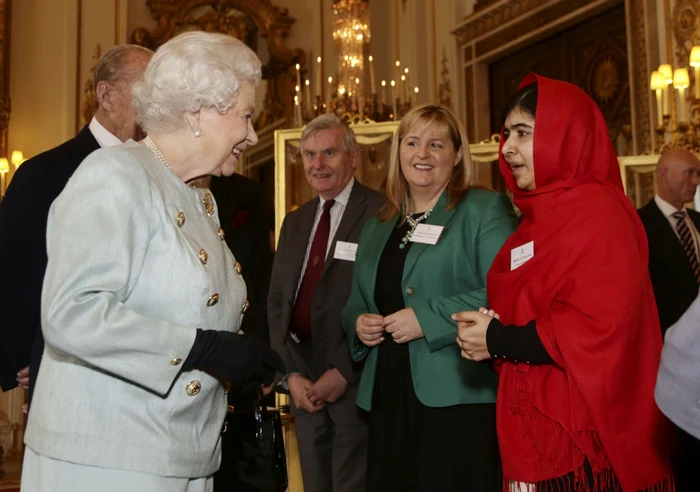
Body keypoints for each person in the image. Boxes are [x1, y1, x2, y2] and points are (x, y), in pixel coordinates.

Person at [21, 31, 284, 492]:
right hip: (108, 455)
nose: (252, 135)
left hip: (184, 450)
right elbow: (71, 313)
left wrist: (241, 354)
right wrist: (204, 348)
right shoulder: (114, 174)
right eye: (245, 116)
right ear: (199, 113)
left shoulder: (200, 196)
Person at [454, 74, 673, 491]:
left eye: (523, 133)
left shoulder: (596, 209)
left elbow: (600, 327)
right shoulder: (532, 220)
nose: (507, 148)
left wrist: (499, 339)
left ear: (565, 135)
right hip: (532, 430)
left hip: (583, 439)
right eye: (505, 135)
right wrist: (489, 334)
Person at [342, 104, 518, 492]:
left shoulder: (483, 210)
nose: (422, 154)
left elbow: (508, 290)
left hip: (457, 394)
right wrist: (358, 323)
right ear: (398, 151)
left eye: (436, 144)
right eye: (412, 142)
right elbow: (355, 300)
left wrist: (427, 317)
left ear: (456, 155)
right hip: (388, 391)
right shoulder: (378, 225)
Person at [0, 44, 153, 400]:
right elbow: (16, 270)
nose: (156, 104)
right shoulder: (45, 173)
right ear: (106, 95)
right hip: (62, 369)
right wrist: (28, 354)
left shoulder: (158, 173)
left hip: (139, 371)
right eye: (147, 90)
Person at [268, 114, 384, 492]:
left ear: (353, 156)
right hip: (303, 384)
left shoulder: (381, 213)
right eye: (309, 154)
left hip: (354, 380)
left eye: (329, 152)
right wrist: (290, 375)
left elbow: (384, 300)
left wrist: (344, 371)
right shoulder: (295, 221)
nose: (317, 164)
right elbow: (276, 304)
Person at [638, 148, 700, 335]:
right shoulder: (639, 224)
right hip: (667, 341)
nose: (696, 182)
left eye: (698, 174)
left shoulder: (698, 220)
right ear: (664, 174)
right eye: (689, 173)